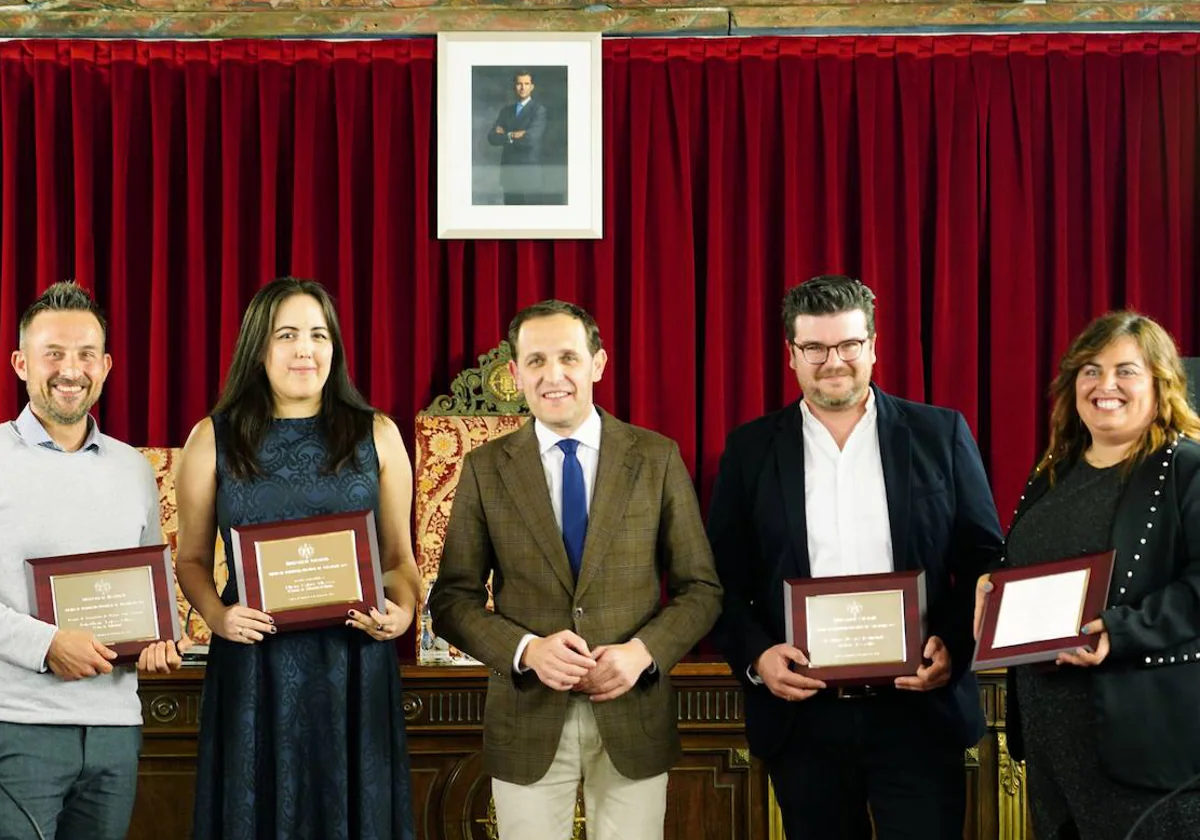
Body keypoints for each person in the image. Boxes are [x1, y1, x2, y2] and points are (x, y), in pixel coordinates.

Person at [708, 274, 1003, 840]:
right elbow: (721, 577)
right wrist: (758, 658)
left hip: (918, 708)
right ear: (791, 354)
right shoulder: (749, 450)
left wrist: (953, 642)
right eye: (815, 348)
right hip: (804, 714)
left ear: (873, 346)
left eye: (847, 345)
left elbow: (984, 556)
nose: (833, 361)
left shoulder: (939, 433)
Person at [429, 300, 723, 840]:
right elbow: (451, 602)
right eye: (536, 360)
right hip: (527, 717)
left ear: (598, 364)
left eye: (568, 356)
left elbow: (701, 589)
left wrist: (643, 653)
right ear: (515, 374)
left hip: (632, 711)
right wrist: (527, 651)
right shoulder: (486, 468)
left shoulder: (656, 458)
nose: (553, 374)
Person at [175, 277, 420, 840]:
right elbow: (190, 559)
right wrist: (218, 617)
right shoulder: (212, 438)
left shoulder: (377, 434)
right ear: (259, 348)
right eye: (287, 335)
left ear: (334, 347)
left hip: (354, 665)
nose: (305, 349)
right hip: (253, 665)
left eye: (318, 334)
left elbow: (399, 558)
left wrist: (402, 614)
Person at [973, 311, 1200, 840]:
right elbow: (1030, 564)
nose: (1105, 386)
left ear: (1161, 382)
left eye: (1126, 371)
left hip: (1144, 747)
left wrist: (1122, 631)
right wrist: (994, 584)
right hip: (1053, 742)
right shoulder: (1056, 469)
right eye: (1091, 370)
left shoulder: (1186, 467)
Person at [0, 281, 184, 840]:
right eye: (52, 353)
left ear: (105, 365)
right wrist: (45, 646)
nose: (69, 369)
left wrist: (161, 642)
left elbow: (157, 589)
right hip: (18, 724)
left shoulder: (133, 469)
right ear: (20, 363)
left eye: (85, 355)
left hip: (114, 727)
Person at [486, 70, 548, 205]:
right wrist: (513, 135)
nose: (523, 87)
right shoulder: (506, 111)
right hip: (509, 174)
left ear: (532, 87)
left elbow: (530, 140)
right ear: (514, 86)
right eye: (519, 83)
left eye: (526, 83)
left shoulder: (538, 110)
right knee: (510, 219)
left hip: (529, 175)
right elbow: (492, 137)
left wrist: (505, 134)